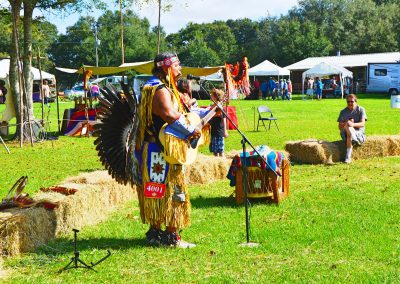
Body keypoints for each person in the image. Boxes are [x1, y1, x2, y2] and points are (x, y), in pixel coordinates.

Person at [136, 51, 205, 248]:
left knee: (157, 191)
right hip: (164, 150)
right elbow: (168, 113)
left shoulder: (155, 86)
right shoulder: (159, 89)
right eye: (177, 65)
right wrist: (190, 129)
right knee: (173, 189)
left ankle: (156, 234)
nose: (180, 68)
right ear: (166, 66)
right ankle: (170, 237)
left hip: (156, 149)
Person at [337, 94, 367, 164]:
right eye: (348, 102)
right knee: (348, 127)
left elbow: (362, 124)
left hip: (358, 132)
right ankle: (354, 139)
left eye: (352, 101)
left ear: (356, 101)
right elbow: (339, 127)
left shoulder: (361, 109)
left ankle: (348, 158)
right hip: (345, 133)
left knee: (349, 133)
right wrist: (346, 122)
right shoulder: (343, 112)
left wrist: (353, 124)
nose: (350, 103)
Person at [208, 89, 228, 157]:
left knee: (220, 151)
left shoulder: (220, 107)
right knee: (215, 152)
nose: (210, 95)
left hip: (219, 132)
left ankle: (222, 163)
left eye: (212, 95)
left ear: (216, 97)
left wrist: (225, 131)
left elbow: (224, 119)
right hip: (213, 132)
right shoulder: (212, 106)